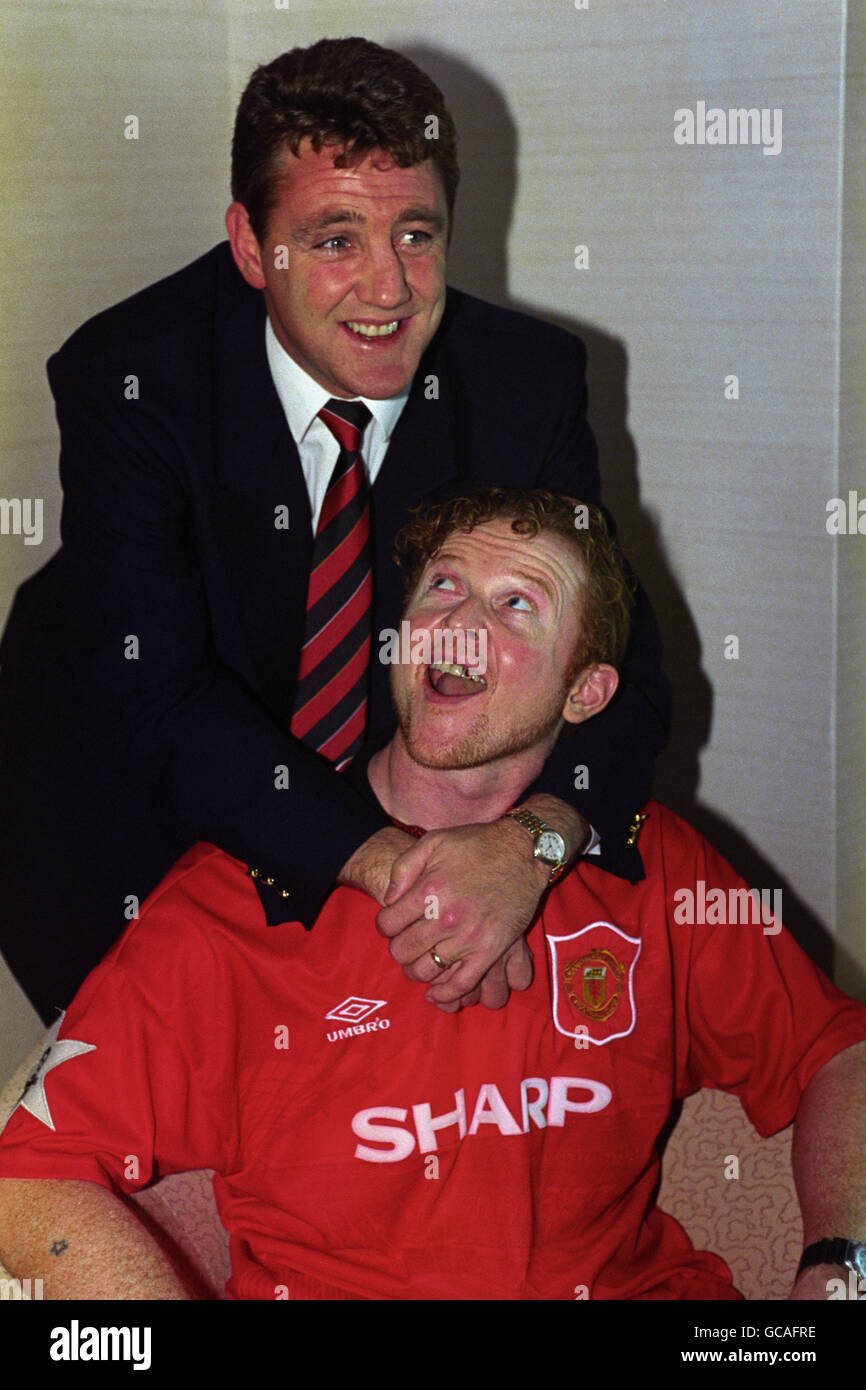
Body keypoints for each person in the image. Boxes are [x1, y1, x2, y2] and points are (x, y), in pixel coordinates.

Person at [0, 488, 863, 1302]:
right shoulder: (238, 900)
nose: (457, 622)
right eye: (443, 586)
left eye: (516, 603)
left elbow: (838, 1050)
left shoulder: (651, 862)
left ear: (587, 690)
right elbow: (25, 1174)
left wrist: (841, 1269)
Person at [0, 36, 670, 1025]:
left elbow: (616, 662)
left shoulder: (524, 384)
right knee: (166, 1139)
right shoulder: (132, 375)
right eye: (332, 239)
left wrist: (525, 845)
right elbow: (160, 693)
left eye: (414, 233)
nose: (389, 288)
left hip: (378, 797)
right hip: (118, 801)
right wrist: (409, 873)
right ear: (246, 244)